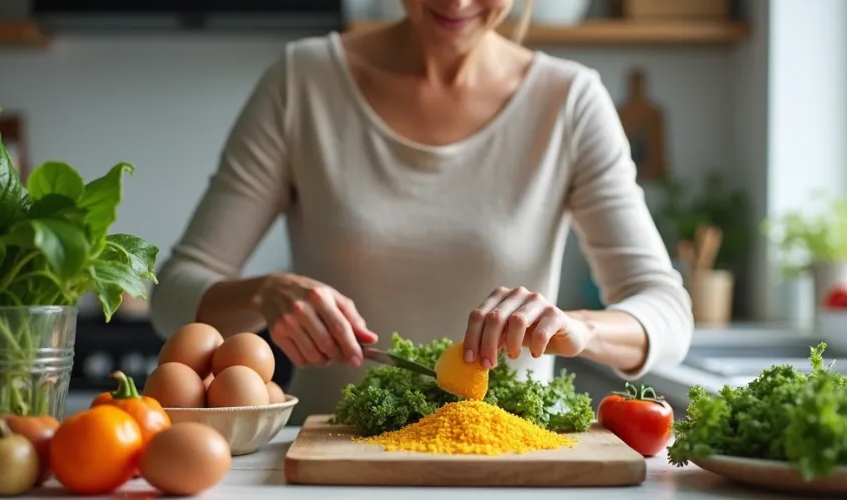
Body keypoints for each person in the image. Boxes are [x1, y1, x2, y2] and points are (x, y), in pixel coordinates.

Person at [150, 0, 693, 423]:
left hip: (512, 466)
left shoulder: (569, 101)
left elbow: (668, 311)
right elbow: (172, 293)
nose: (455, 3)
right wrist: (261, 293)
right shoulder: (303, 82)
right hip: (337, 464)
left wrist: (579, 328)